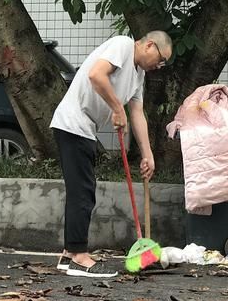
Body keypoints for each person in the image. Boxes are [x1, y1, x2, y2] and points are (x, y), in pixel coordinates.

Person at [50, 31, 172, 277]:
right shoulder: (123, 45)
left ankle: (68, 254)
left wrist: (148, 155)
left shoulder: (138, 77)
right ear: (149, 45)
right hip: (73, 122)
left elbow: (137, 114)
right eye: (161, 59)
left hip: (85, 128)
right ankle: (78, 256)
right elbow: (96, 75)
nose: (159, 66)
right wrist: (118, 108)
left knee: (82, 189)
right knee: (83, 191)